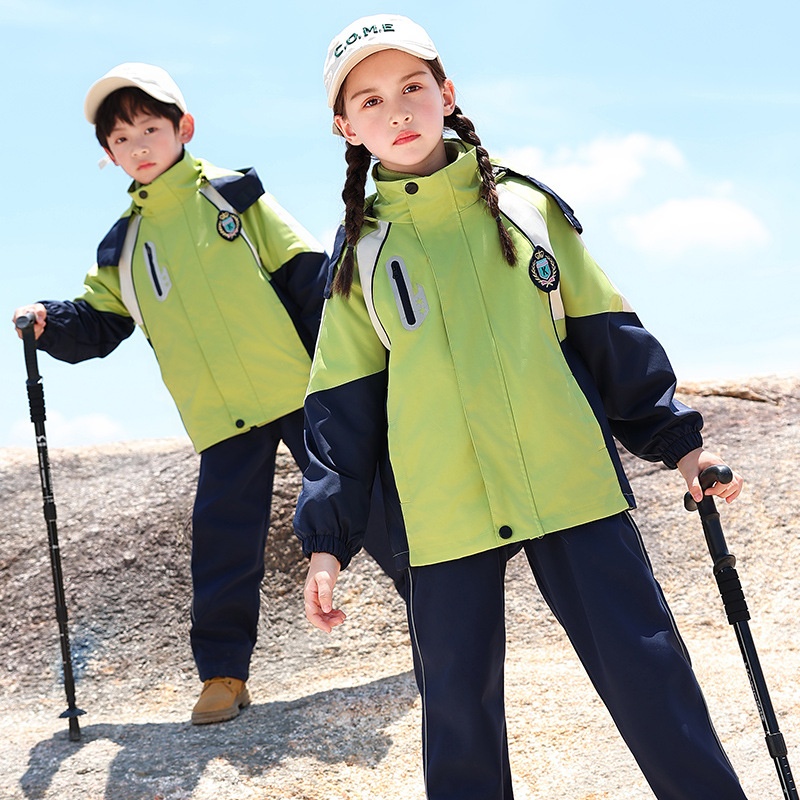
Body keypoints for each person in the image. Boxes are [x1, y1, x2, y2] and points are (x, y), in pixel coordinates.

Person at [294, 14, 750, 800]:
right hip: (445, 512)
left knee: (651, 677)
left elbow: (612, 339)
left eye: (411, 87)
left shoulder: (529, 210)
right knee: (459, 715)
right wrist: (327, 538)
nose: (396, 112)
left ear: (447, 91)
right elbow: (341, 411)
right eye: (369, 101)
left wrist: (683, 446)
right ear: (345, 126)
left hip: (568, 478)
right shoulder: (359, 257)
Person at [12, 62, 400, 726]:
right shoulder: (123, 245)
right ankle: (223, 674)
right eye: (121, 138)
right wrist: (51, 320)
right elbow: (100, 325)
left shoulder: (235, 197)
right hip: (221, 420)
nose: (138, 146)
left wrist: (340, 376)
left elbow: (307, 276)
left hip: (299, 390)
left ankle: (439, 617)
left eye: (150, 128)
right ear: (107, 155)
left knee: (373, 501)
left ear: (182, 128)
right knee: (223, 544)